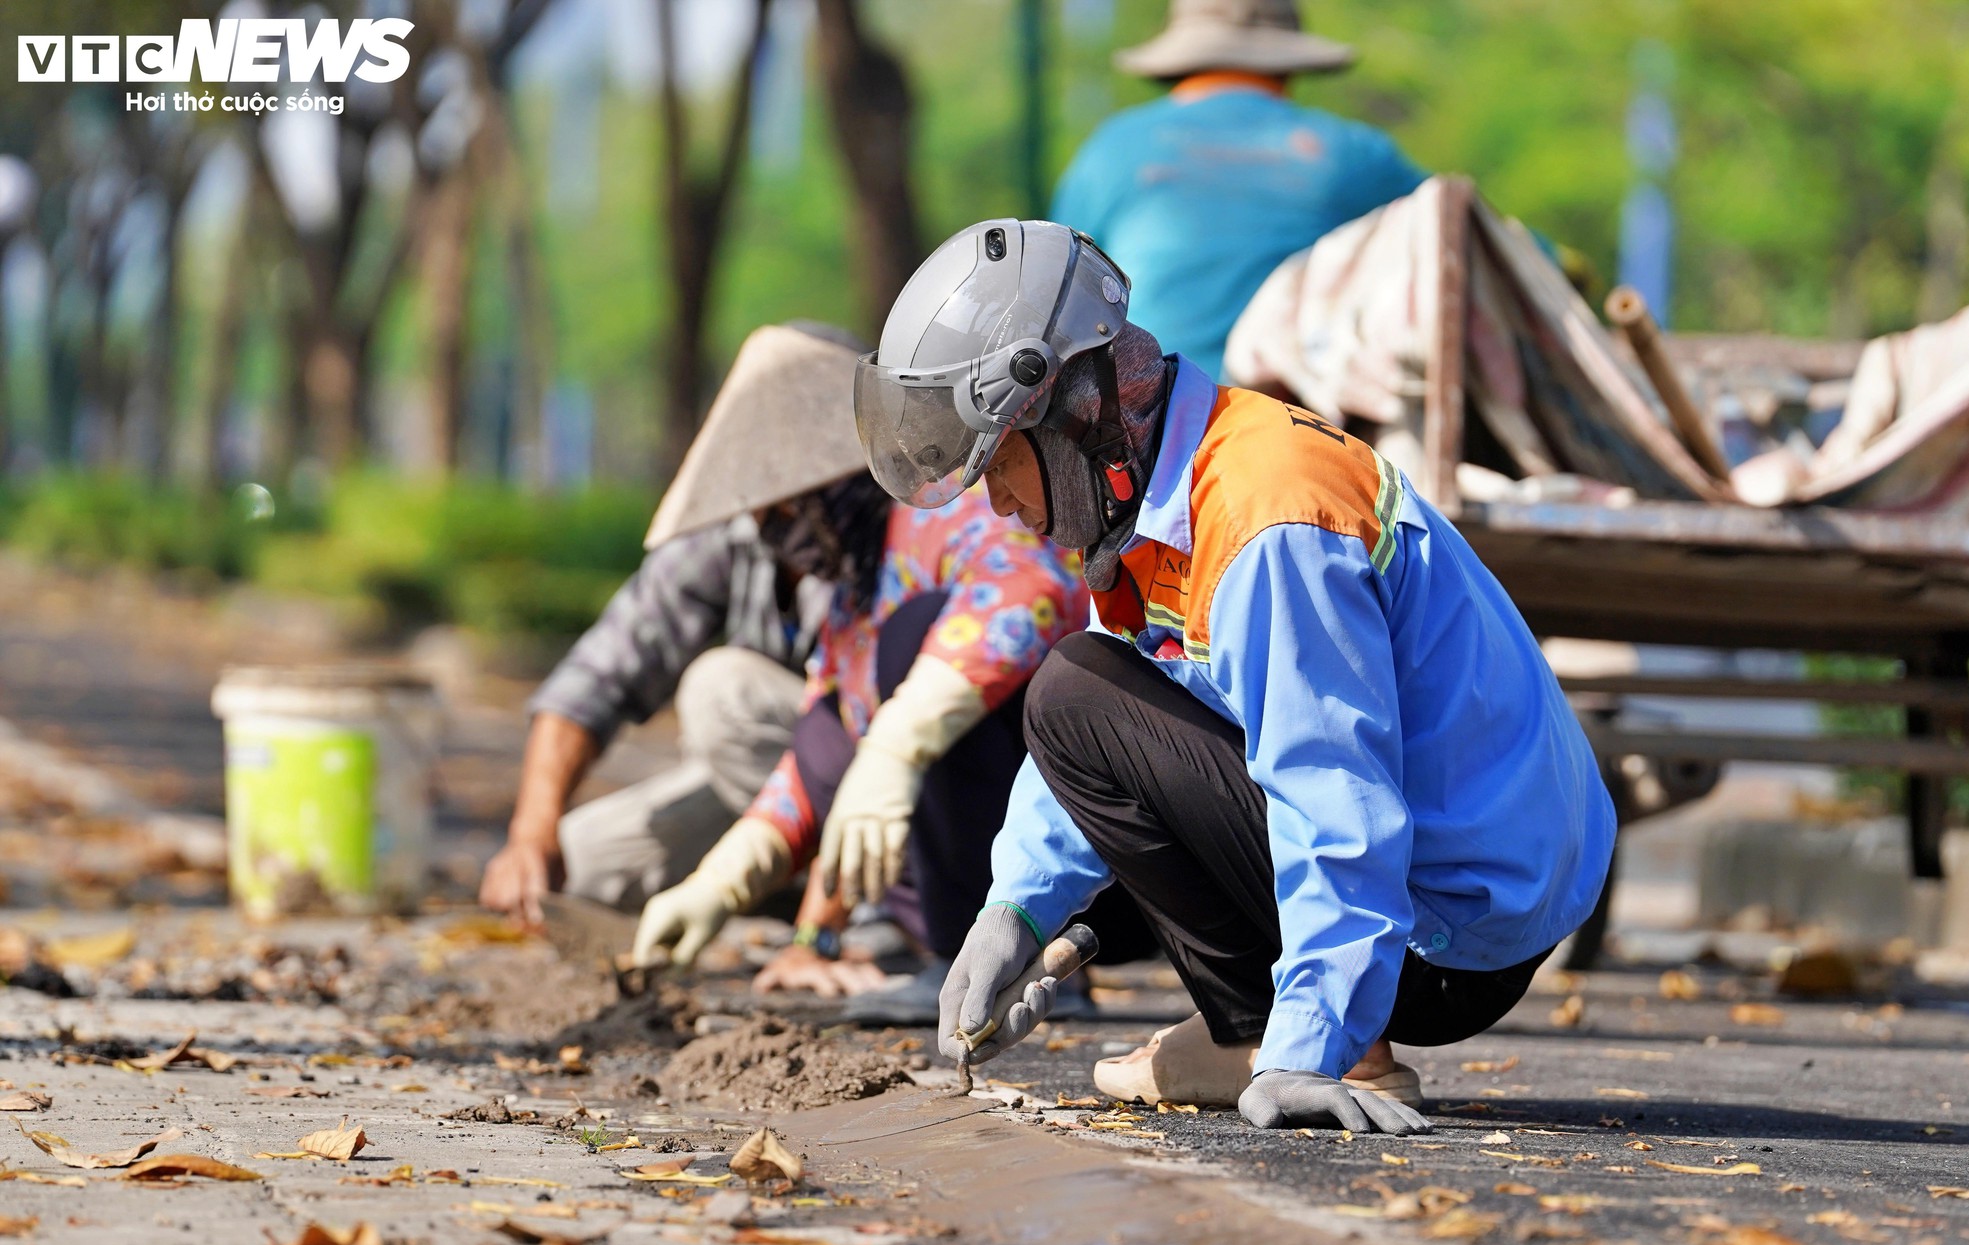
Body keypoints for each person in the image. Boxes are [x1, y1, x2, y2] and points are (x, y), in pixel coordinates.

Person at [856, 219, 1616, 1134]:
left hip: (1452, 937)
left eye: (1002, 467)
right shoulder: (1160, 493)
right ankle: (1283, 1023)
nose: (1004, 507)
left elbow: (1335, 796)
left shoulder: (1266, 523)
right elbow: (1132, 722)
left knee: (1066, 692)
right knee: (1084, 709)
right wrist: (1014, 910)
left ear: (1072, 412)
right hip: (1451, 897)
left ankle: (1289, 1036)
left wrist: (1306, 1047)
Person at [629, 349, 1146, 1024]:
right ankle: (954, 948)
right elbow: (824, 745)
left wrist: (896, 744)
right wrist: (723, 880)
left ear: (834, 484)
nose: (773, 538)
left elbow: (1025, 598)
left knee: (918, 636)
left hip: (1098, 853)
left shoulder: (964, 510)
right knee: (847, 702)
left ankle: (1020, 955)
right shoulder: (853, 603)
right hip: (1001, 861)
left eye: (782, 513)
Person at [479, 325, 851, 927]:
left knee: (721, 690)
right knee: (581, 864)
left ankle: (862, 901)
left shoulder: (891, 531)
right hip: (780, 784)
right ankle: (780, 879)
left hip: (878, 783)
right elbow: (600, 671)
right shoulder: (735, 529)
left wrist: (822, 937)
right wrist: (530, 832)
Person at [1052, 0, 1426, 381]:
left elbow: (1054, 286)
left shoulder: (1112, 149)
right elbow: (1449, 240)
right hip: (1302, 422)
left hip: (1145, 417)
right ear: (1289, 60)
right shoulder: (1355, 154)